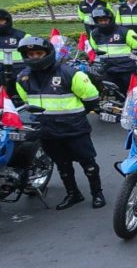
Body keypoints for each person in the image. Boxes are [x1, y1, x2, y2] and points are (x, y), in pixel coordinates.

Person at [14, 36, 104, 211]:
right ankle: (73, 194)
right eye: (30, 54)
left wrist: (77, 115)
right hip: (47, 131)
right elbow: (26, 102)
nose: (35, 57)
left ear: (48, 53)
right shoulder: (23, 77)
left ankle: (97, 194)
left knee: (88, 164)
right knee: (62, 166)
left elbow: (91, 98)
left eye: (38, 53)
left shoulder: (70, 73)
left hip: (74, 128)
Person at [88, 7, 137, 96]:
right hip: (107, 70)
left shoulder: (125, 31)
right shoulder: (94, 34)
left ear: (110, 19)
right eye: (100, 21)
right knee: (111, 95)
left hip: (125, 69)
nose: (103, 23)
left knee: (131, 93)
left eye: (105, 20)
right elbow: (94, 50)